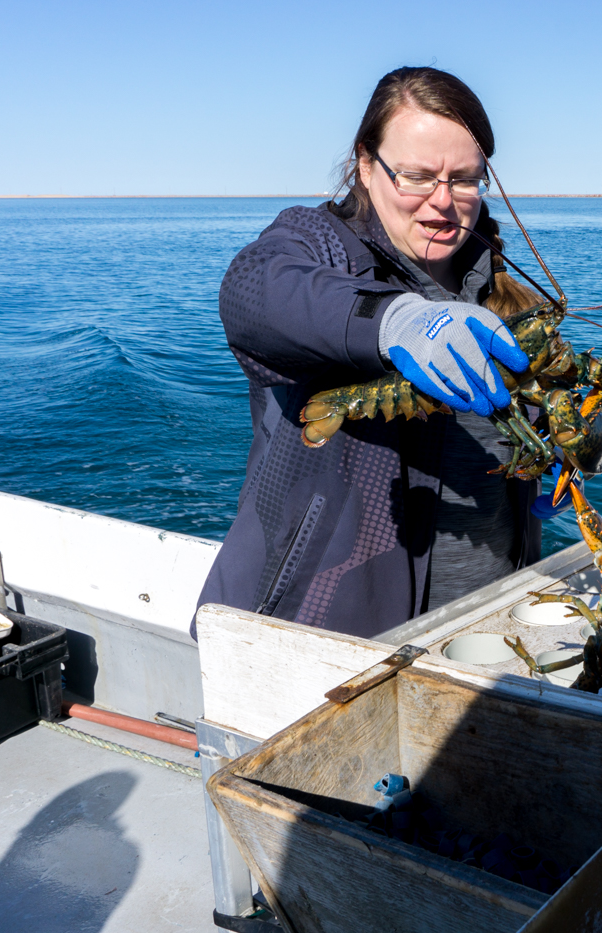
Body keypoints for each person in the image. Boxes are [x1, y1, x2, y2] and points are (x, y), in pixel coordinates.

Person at [193, 67, 547, 640]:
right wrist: (397, 319)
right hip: (333, 632)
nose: (443, 202)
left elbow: (546, 416)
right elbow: (255, 291)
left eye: (464, 179)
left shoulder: (504, 292)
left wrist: (579, 444)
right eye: (416, 177)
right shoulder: (318, 243)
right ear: (366, 164)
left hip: (490, 628)